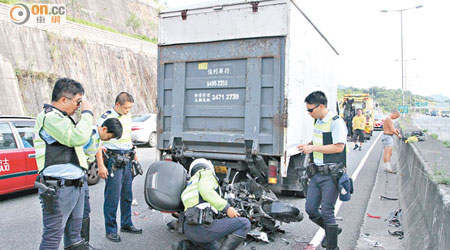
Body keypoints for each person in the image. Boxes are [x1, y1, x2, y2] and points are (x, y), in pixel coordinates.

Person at [33, 78, 93, 250]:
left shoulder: (63, 118)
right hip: (59, 187)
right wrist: (87, 114)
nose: (79, 106)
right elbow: (77, 138)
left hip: (75, 185)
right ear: (64, 100)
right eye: (78, 101)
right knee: (53, 237)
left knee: (75, 237)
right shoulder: (50, 118)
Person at [297, 91, 347, 250]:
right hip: (317, 173)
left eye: (310, 110)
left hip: (331, 175)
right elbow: (320, 140)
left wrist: (313, 147)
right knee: (311, 209)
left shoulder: (336, 122)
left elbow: (339, 147)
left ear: (321, 106)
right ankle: (332, 230)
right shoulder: (317, 121)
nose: (309, 113)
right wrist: (308, 145)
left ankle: (333, 247)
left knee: (327, 211)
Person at [65, 118, 123, 250]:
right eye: (109, 137)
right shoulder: (88, 134)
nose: (108, 140)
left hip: (81, 174)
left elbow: (97, 148)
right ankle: (73, 244)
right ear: (104, 129)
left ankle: (83, 243)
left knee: (85, 210)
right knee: (75, 211)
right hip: (75, 175)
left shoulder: (96, 136)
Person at [173, 158, 251, 250]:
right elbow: (206, 191)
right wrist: (227, 208)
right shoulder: (206, 173)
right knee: (244, 223)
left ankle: (185, 246)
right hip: (202, 228)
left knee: (214, 247)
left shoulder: (190, 183)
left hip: (188, 229)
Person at [96, 92, 141, 242]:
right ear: (117, 105)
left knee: (127, 195)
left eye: (130, 108)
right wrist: (101, 165)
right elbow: (97, 143)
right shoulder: (106, 118)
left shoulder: (128, 115)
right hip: (114, 160)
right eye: (126, 108)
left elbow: (127, 135)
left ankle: (126, 223)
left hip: (127, 157)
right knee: (112, 197)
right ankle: (111, 230)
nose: (128, 111)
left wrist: (133, 151)